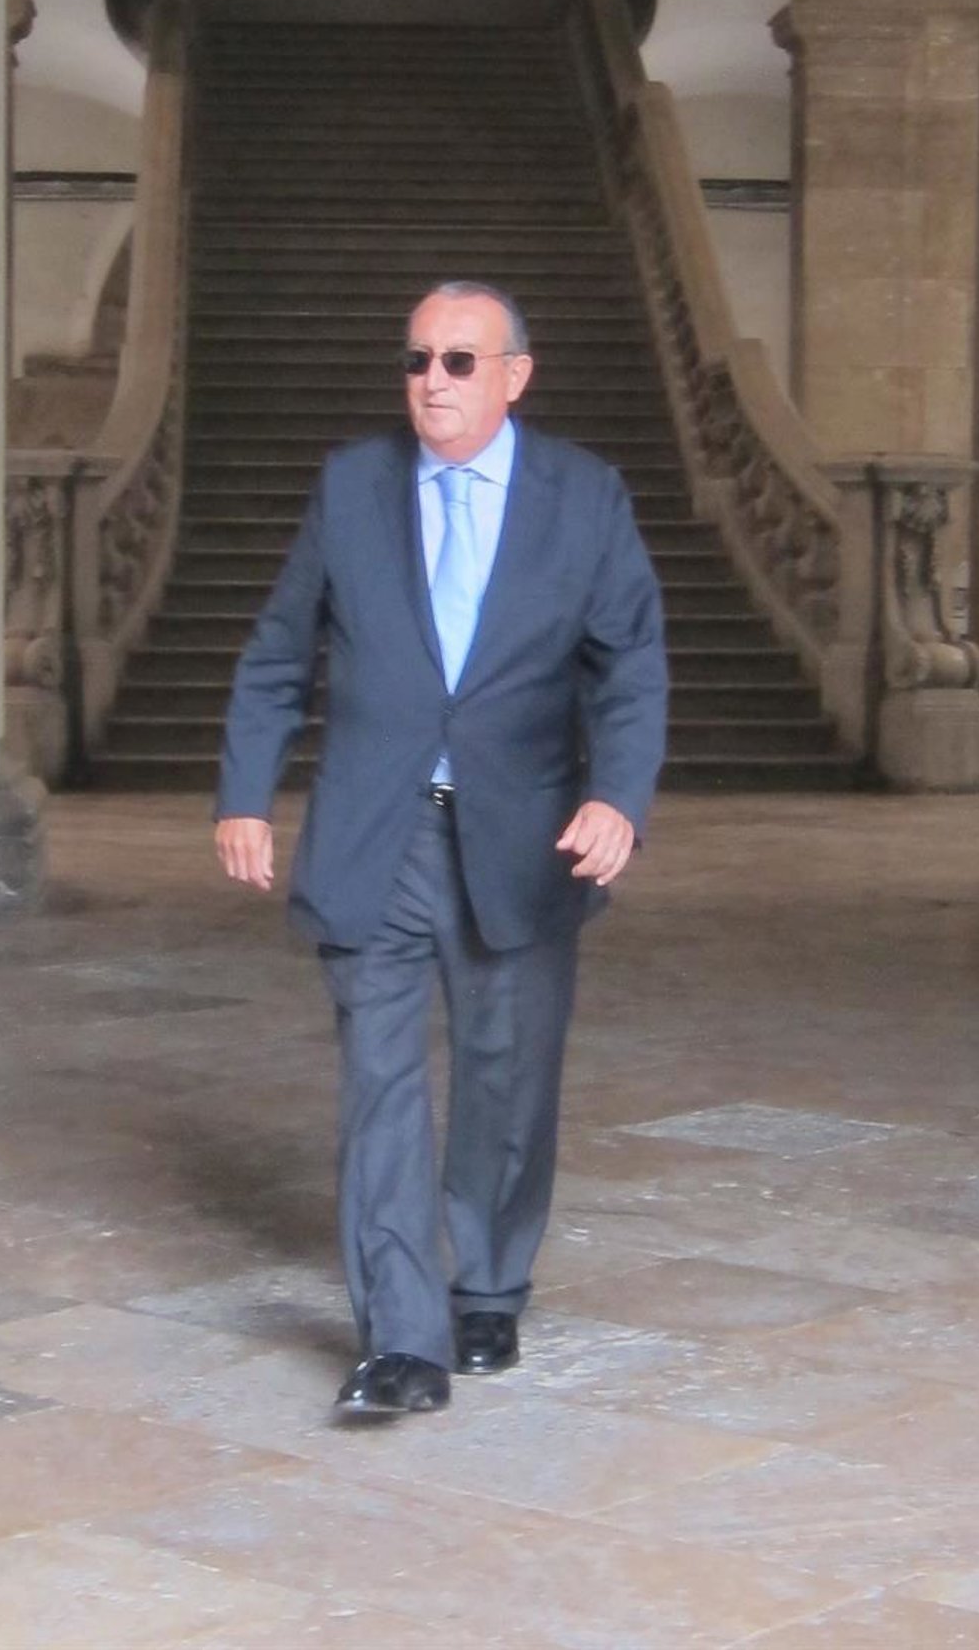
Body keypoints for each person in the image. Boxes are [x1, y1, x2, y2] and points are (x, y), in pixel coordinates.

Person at [215, 280, 668, 1418]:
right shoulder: (351, 486)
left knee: (505, 1077)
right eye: (418, 358)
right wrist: (245, 794)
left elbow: (630, 665)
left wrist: (617, 797)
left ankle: (491, 1284)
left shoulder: (584, 496)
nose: (433, 381)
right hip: (377, 832)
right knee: (379, 1085)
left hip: (520, 837)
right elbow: (278, 652)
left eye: (460, 360)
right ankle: (401, 1341)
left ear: (516, 375)